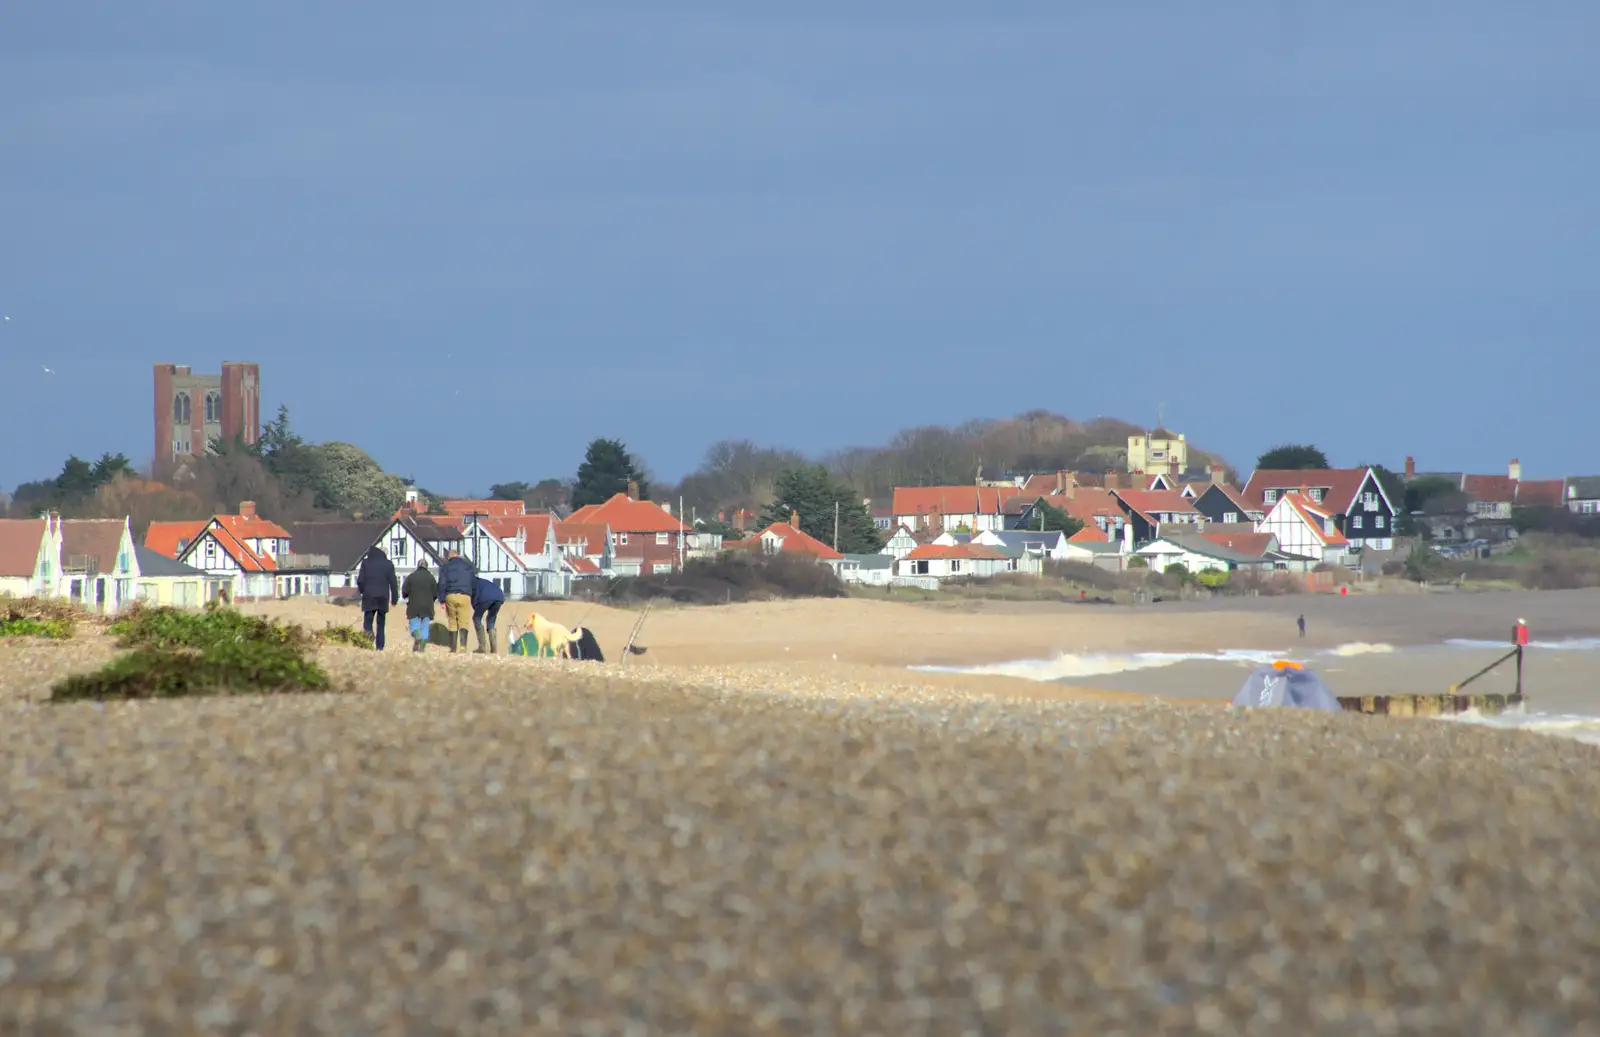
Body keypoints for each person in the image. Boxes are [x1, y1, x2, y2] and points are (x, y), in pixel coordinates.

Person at [355, 545, 400, 650]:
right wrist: (394, 599)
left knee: (368, 622)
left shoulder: (366, 563)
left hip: (369, 596)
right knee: (381, 623)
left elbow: (360, 580)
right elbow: (393, 583)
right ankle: (380, 647)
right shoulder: (388, 564)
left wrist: (362, 591)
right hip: (383, 597)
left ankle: (367, 642)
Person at [435, 549, 477, 653]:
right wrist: (473, 596)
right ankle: (463, 646)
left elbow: (441, 584)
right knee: (463, 621)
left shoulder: (445, 567)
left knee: (452, 621)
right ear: (458, 556)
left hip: (450, 596)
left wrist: (442, 600)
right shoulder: (468, 566)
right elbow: (474, 583)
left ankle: (453, 648)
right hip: (465, 596)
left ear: (449, 557)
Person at [401, 557, 438, 653]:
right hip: (427, 606)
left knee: (414, 624)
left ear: (418, 566)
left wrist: (406, 596)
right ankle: (421, 648)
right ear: (427, 567)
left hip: (414, 605)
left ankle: (417, 636)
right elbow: (435, 594)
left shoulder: (411, 577)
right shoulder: (431, 577)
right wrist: (430, 601)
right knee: (425, 626)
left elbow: (404, 591)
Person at [471, 576, 506, 654]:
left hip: (486, 597)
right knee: (491, 622)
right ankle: (494, 650)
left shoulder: (472, 583)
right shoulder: (483, 581)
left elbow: (474, 597)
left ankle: (482, 647)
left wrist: (475, 607)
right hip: (499, 597)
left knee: (476, 618)